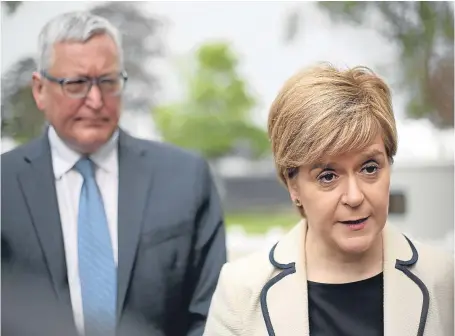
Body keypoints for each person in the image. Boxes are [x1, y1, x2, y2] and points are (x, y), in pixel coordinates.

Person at [1, 11, 227, 336]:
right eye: (76, 84)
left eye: (108, 82)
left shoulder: (185, 180)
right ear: (39, 90)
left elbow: (212, 314)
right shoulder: (4, 186)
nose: (95, 100)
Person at [203, 63, 454, 336]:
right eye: (327, 176)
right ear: (292, 184)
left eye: (369, 168)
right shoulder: (241, 291)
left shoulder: (442, 279)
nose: (355, 197)